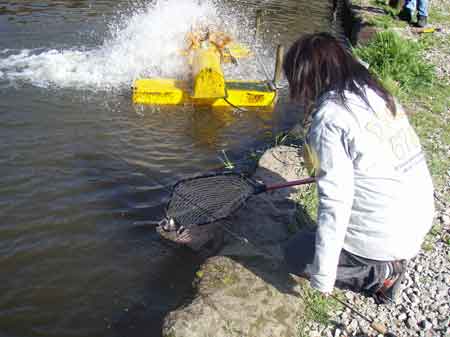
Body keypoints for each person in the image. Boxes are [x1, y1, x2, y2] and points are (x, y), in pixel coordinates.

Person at [282, 33, 434, 304]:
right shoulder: (374, 92)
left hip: (386, 238)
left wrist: (323, 277)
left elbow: (335, 203)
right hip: (418, 220)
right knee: (309, 239)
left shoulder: (330, 117)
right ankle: (380, 261)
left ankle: (380, 274)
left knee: (294, 254)